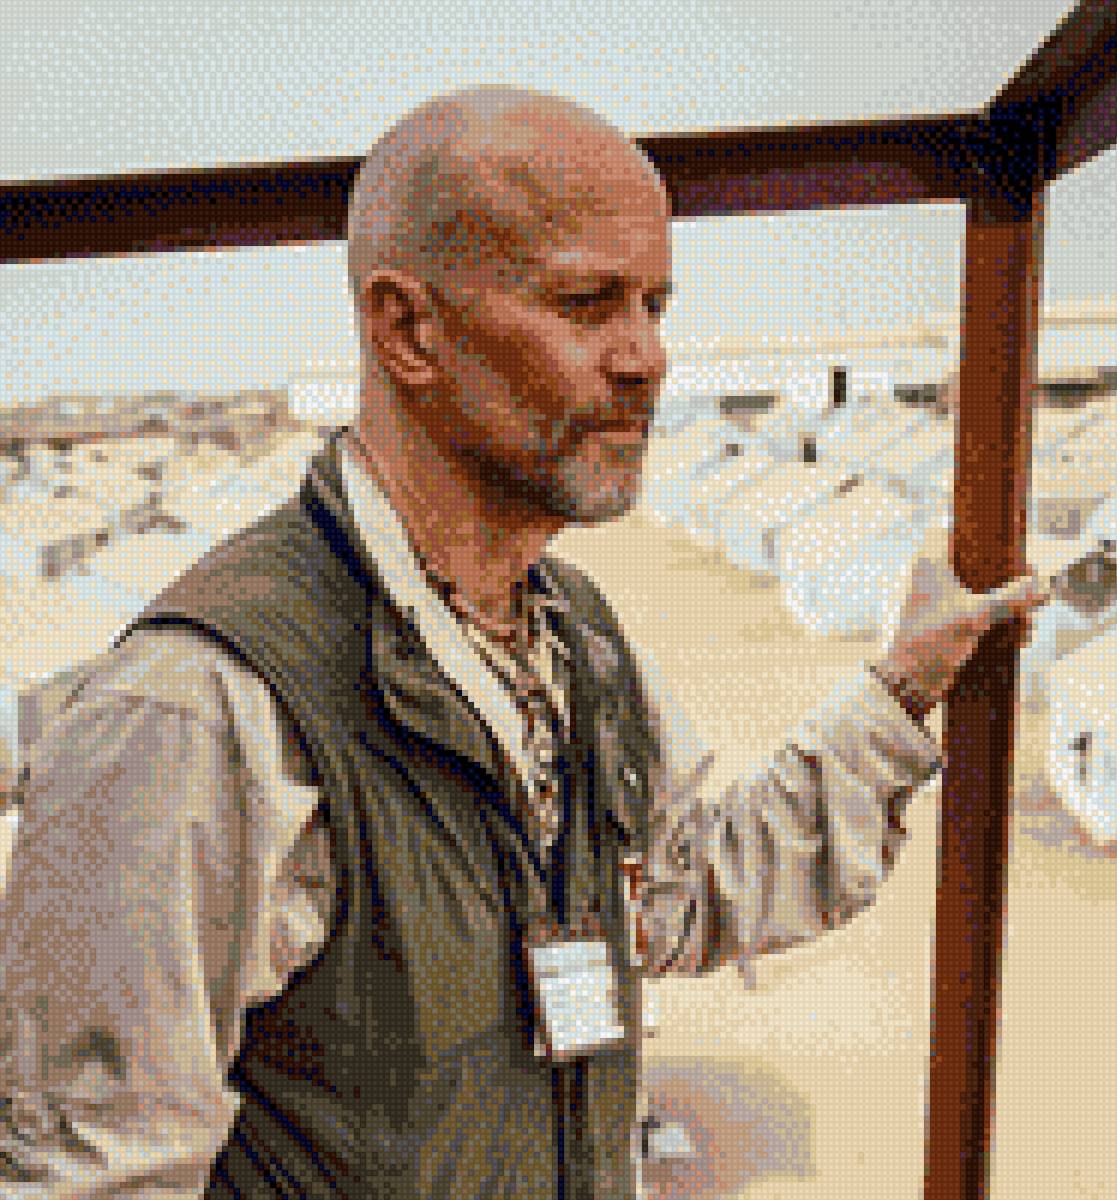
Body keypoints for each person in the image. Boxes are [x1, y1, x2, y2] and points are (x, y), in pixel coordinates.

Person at [0, 85, 1048, 1200]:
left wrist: (902, 687)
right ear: (409, 331)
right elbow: (100, 1177)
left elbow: (684, 896)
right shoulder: (196, 710)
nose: (647, 357)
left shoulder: (573, 637)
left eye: (655, 304)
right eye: (588, 304)